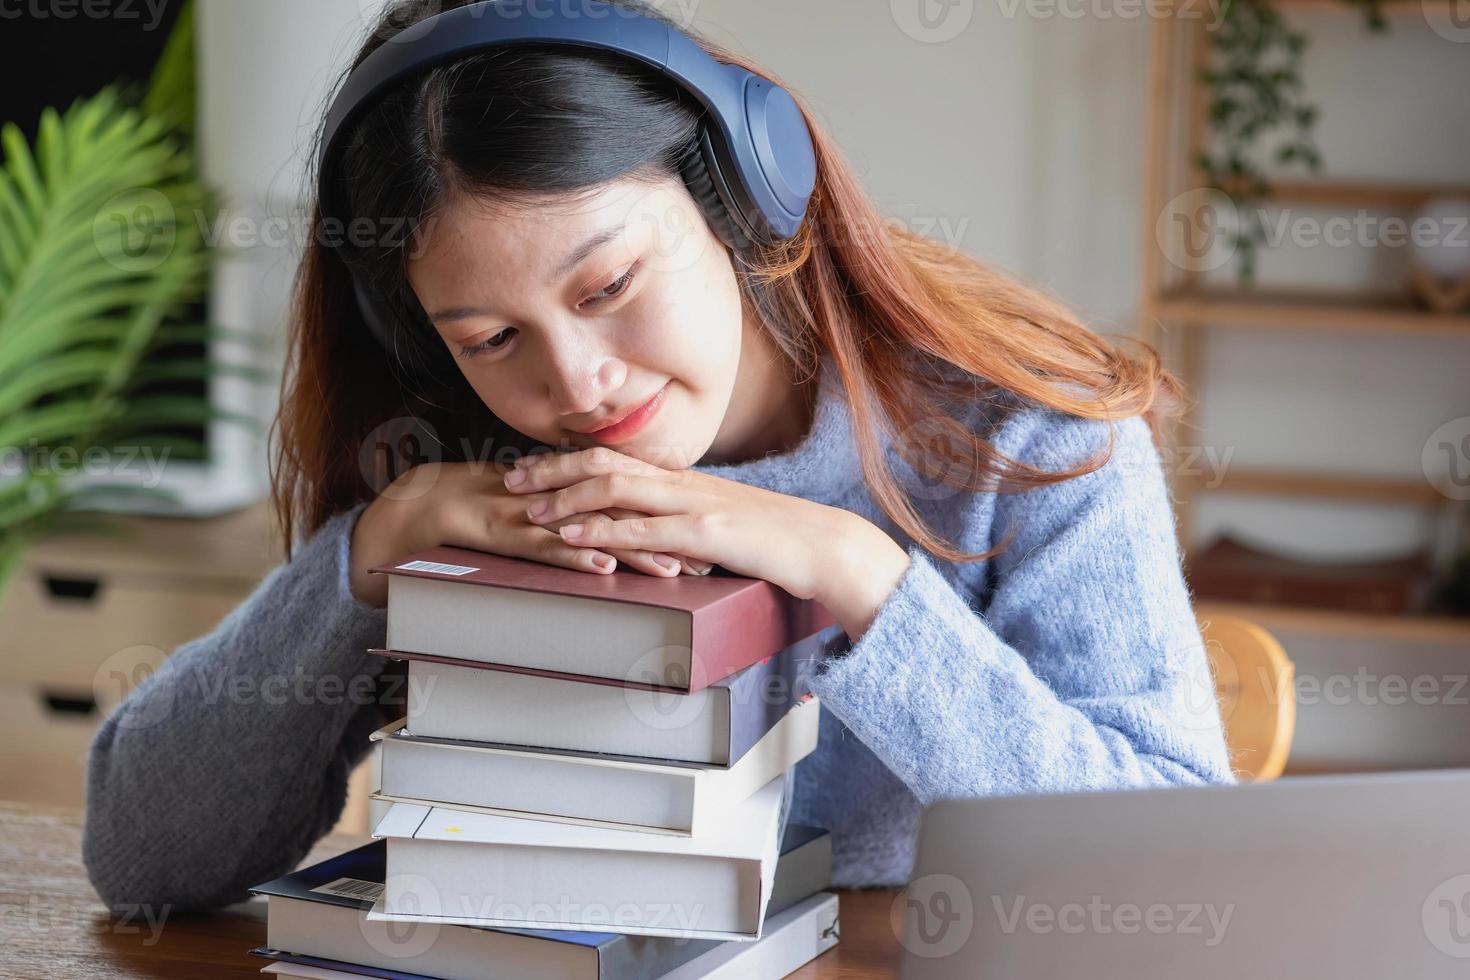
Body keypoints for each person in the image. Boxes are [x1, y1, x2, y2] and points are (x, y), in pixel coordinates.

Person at [82, 0, 1234, 914]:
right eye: (491, 338)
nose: (576, 384)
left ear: (744, 196)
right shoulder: (459, 464)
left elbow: (1178, 870)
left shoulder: (1034, 437)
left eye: (612, 285)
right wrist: (364, 556)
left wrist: (862, 577)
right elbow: (141, 859)